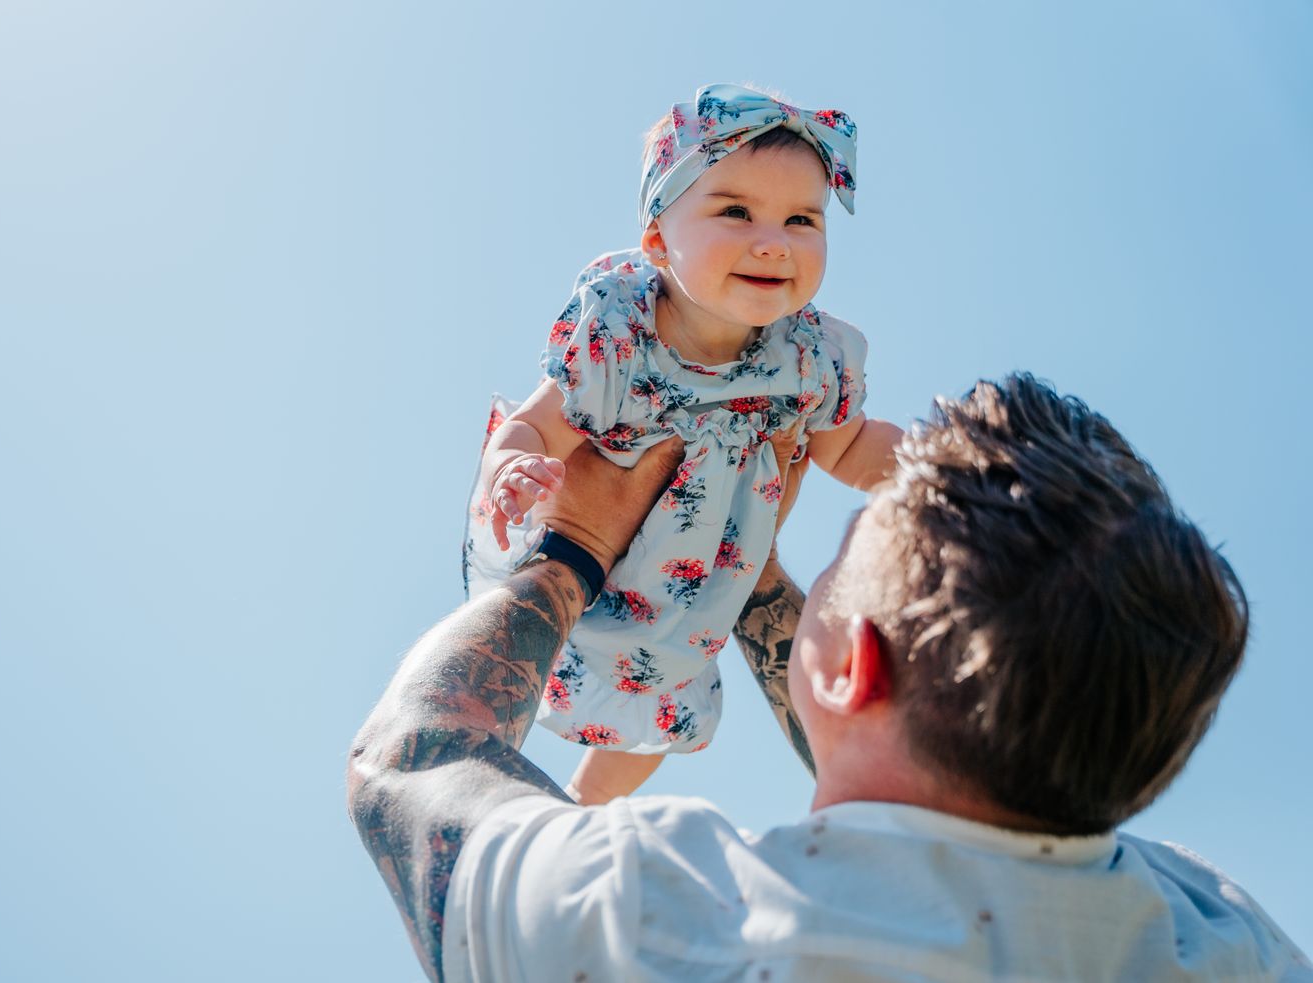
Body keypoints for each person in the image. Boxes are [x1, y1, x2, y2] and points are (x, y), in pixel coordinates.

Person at [351, 374, 1311, 982]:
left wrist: (574, 550)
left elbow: (410, 762)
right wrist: (748, 574)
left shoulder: (689, 925)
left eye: (843, 553)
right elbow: (920, 784)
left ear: (849, 665)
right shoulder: (1225, 934)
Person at [465, 82, 902, 805]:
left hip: (684, 601)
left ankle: (586, 808)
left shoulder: (810, 358)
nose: (773, 241)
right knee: (501, 672)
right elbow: (540, 423)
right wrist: (514, 463)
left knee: (659, 722)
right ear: (658, 241)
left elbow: (850, 446)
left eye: (802, 219)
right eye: (736, 212)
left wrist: (938, 469)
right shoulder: (621, 335)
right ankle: (474, 797)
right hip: (580, 565)